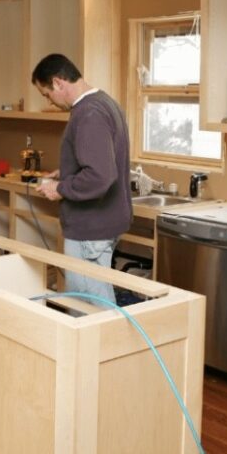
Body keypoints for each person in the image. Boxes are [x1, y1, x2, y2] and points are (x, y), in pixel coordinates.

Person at [32, 53, 131, 303]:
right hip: (101, 223)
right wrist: (64, 172)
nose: (50, 101)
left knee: (89, 308)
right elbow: (99, 161)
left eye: (47, 94)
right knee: (94, 302)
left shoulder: (88, 113)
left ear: (58, 83)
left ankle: (113, 344)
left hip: (90, 228)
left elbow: (100, 175)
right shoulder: (104, 102)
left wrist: (61, 188)